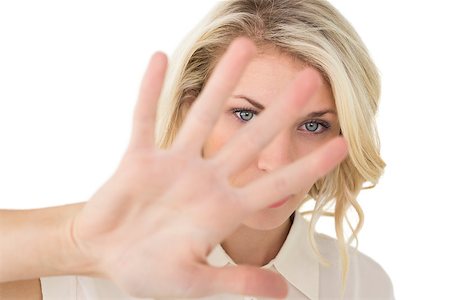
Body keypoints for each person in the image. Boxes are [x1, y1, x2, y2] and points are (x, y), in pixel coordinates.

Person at [0, 0, 394, 299]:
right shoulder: (86, 271)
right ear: (191, 108)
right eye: (246, 114)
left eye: (313, 125)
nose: (275, 162)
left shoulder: (362, 285)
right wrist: (74, 242)